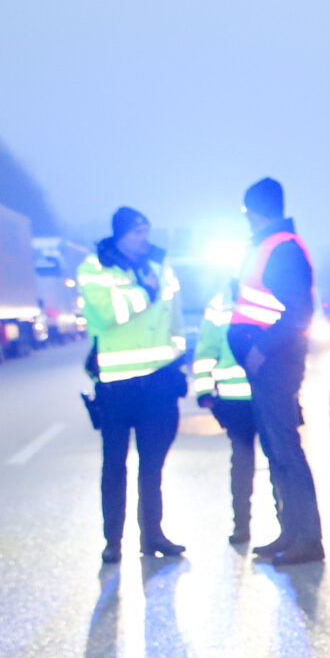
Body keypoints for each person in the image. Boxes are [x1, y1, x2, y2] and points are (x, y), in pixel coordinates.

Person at [76, 206, 185, 563]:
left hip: (157, 382)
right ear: (120, 235)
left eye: (146, 232)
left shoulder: (160, 268)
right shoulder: (95, 268)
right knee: (115, 465)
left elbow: (176, 320)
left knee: (152, 467)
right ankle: (113, 541)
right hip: (117, 386)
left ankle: (153, 535)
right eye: (136, 233)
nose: (143, 239)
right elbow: (108, 315)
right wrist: (145, 292)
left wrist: (177, 361)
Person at [225, 177, 320, 564]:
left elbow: (299, 312)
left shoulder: (282, 249)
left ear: (255, 211)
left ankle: (308, 541)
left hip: (276, 363)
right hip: (269, 365)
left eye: (247, 213)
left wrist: (261, 349)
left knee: (286, 451)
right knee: (277, 451)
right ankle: (291, 533)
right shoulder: (269, 246)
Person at [189, 280, 277, 550]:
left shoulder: (265, 296)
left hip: (263, 394)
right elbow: (207, 349)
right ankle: (242, 525)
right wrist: (205, 390)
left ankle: (284, 526)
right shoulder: (222, 303)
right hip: (238, 398)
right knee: (244, 463)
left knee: (276, 461)